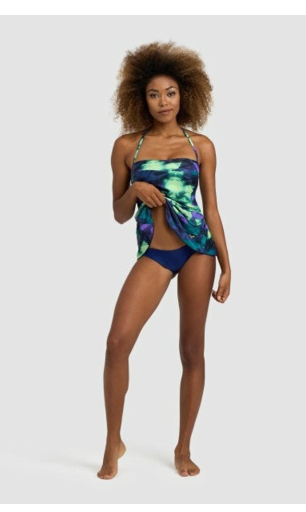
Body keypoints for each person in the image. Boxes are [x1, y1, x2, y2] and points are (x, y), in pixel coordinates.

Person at [97, 41, 231, 480]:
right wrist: (133, 191)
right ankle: (113, 442)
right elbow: (118, 214)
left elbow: (212, 210)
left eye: (170, 92)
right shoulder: (127, 146)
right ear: (141, 98)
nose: (163, 102)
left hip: (198, 250)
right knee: (117, 343)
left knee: (191, 350)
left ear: (184, 93)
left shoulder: (201, 145)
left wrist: (227, 265)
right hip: (155, 251)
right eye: (154, 94)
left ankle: (183, 447)